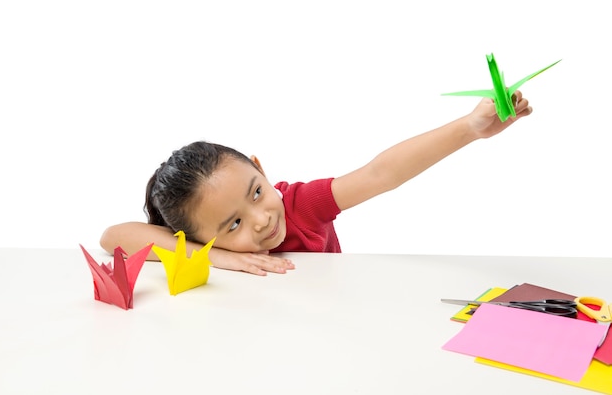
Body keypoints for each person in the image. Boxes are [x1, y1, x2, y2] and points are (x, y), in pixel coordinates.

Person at [100, 91, 532, 276]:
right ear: (197, 238)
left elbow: (380, 174)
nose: (263, 218)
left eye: (256, 191)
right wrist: (211, 259)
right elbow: (112, 237)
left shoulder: (299, 205)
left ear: (261, 169)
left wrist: (470, 128)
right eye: (232, 225)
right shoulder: (204, 246)